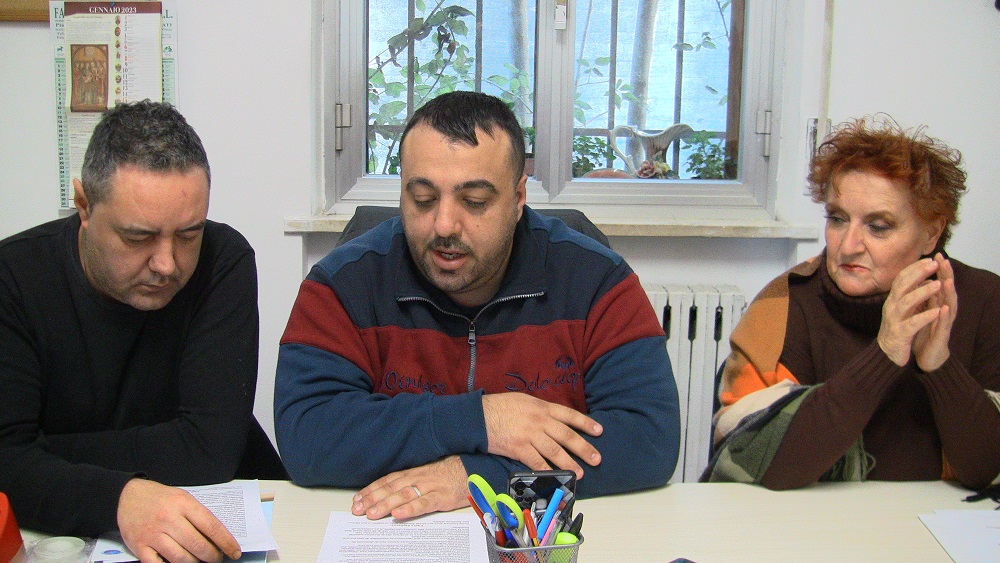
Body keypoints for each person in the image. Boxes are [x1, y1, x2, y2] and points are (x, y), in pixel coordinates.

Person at [274, 91, 679, 520]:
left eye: (475, 202)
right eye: (423, 198)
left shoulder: (596, 280)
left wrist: (478, 477)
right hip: (390, 530)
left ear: (518, 198)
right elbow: (307, 434)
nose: (444, 225)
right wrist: (480, 420)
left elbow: (648, 440)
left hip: (534, 539)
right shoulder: (342, 283)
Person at [0, 100, 280, 563]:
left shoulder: (223, 260)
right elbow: (6, 464)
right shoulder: (14, 278)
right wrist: (118, 497)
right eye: (138, 237)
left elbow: (209, 450)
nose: (167, 264)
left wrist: (44, 456)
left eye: (188, 235)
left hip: (231, 514)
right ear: (84, 206)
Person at [705, 117, 1000, 490]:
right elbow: (752, 466)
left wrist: (939, 365)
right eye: (837, 219)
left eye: (878, 226)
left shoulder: (985, 300)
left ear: (931, 232)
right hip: (811, 518)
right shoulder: (785, 302)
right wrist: (884, 354)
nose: (847, 246)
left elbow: (987, 470)